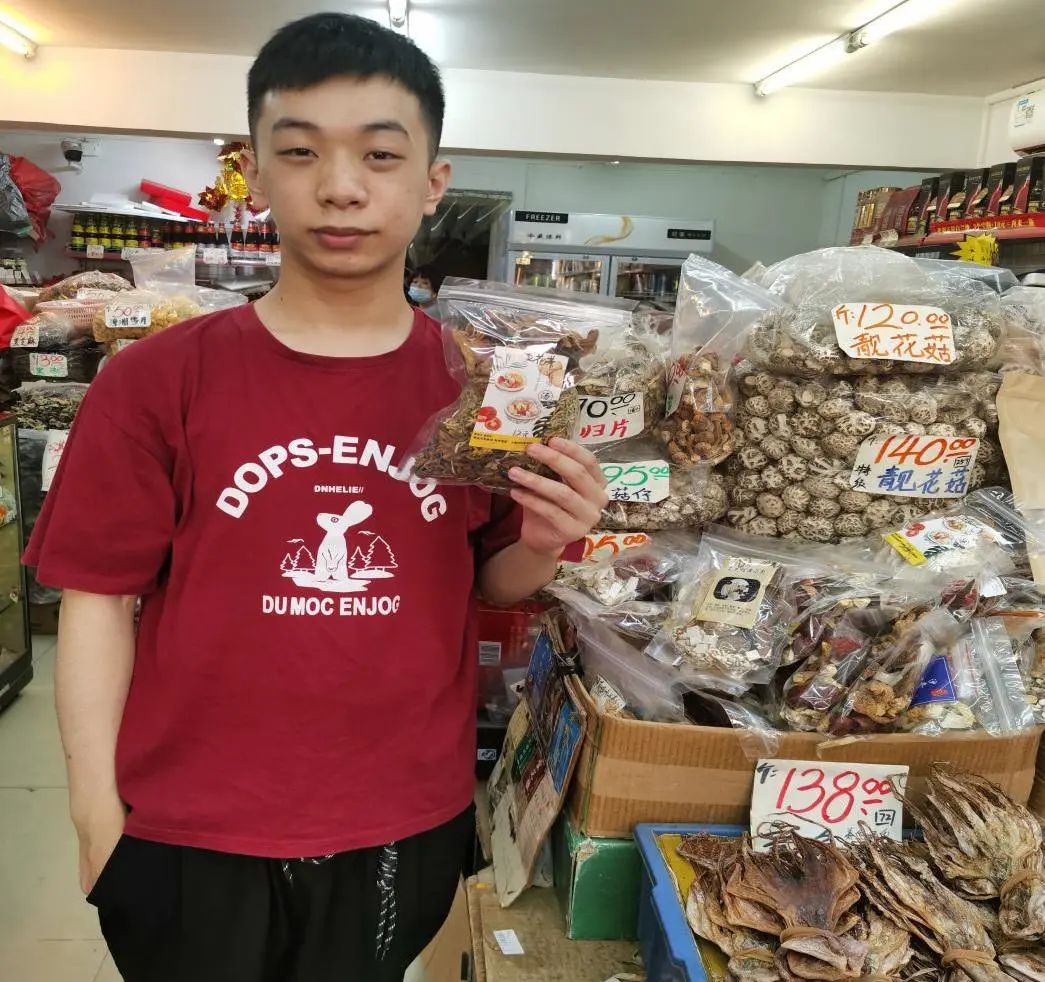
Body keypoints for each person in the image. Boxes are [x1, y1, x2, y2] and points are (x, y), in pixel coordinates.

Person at [24, 13, 608, 982]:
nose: (341, 186)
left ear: (432, 181)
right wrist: (96, 820)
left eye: (380, 154)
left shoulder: (488, 388)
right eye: (300, 151)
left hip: (401, 819)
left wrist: (546, 539)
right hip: (190, 826)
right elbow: (95, 600)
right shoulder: (156, 378)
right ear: (254, 173)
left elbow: (490, 578)